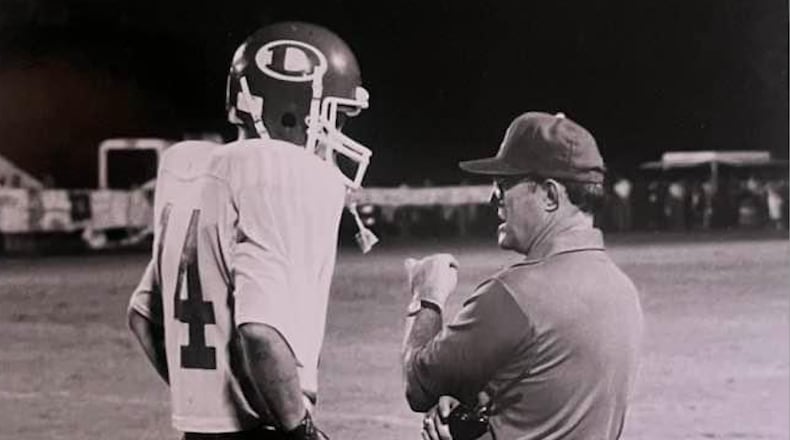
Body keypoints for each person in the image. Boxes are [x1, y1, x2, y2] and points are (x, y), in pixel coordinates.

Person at [127, 22, 375, 440]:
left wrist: (208, 403)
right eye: (334, 119)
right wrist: (300, 430)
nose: (337, 136)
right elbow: (261, 332)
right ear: (294, 111)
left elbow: (141, 318)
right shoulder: (278, 171)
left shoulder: (191, 166)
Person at [402, 112, 644, 440]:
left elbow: (418, 384)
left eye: (505, 184)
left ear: (549, 195)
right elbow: (542, 392)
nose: (493, 197)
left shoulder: (513, 294)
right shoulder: (622, 290)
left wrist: (426, 296)